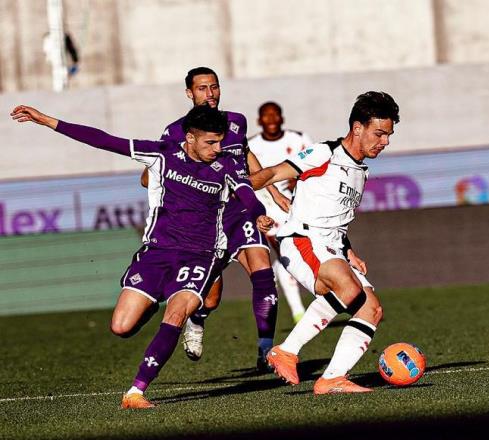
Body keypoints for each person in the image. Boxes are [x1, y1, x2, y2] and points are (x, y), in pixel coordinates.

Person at [10, 104, 273, 408]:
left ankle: (136, 391)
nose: (217, 149)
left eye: (220, 142)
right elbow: (103, 140)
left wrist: (259, 214)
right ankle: (151, 305)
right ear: (190, 138)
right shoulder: (162, 154)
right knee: (121, 327)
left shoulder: (227, 164)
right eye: (210, 142)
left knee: (176, 314)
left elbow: (247, 193)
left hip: (201, 256)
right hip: (157, 253)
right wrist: (47, 121)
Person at [250, 91, 400, 394]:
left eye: (388, 135)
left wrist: (349, 250)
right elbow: (273, 173)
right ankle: (286, 350)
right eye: (379, 133)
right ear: (357, 128)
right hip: (302, 239)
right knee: (348, 289)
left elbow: (335, 218)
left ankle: (332, 378)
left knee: (371, 309)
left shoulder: (361, 171)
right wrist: (233, 190)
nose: (385, 141)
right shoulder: (324, 153)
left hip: (332, 246)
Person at [142, 67, 289, 371]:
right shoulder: (175, 131)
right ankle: (197, 319)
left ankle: (266, 350)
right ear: (189, 93)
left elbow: (246, 156)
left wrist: (273, 192)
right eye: (202, 88)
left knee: (263, 272)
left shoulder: (236, 121)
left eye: (214, 87)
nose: (209, 94)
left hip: (240, 210)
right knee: (210, 299)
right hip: (208, 222)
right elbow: (148, 177)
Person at [249, 101, 313, 324]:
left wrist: (302, 179)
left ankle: (309, 305)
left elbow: (316, 165)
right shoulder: (251, 146)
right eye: (266, 115)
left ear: (282, 118)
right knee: (286, 252)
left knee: (298, 255)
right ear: (259, 121)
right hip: (268, 209)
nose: (271, 119)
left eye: (275, 114)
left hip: (298, 205)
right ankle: (298, 312)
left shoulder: (299, 139)